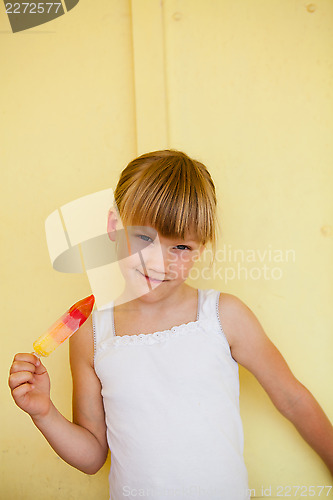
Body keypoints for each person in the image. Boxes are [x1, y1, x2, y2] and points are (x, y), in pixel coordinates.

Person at [8, 150, 333, 499]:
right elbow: (92, 456)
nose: (158, 262)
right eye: (145, 237)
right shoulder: (91, 335)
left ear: (200, 249)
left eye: (180, 246)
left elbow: (293, 399)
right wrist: (43, 413)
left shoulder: (224, 316)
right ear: (114, 226)